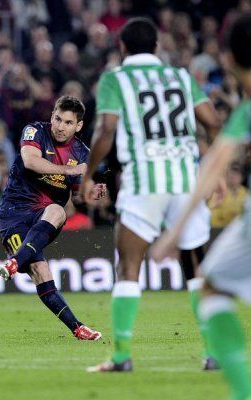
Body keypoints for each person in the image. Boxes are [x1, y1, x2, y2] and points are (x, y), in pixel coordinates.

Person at [82, 18, 221, 372]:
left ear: (123, 48)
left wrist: (89, 173)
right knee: (197, 270)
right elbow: (213, 123)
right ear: (157, 47)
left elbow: (107, 129)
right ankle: (214, 352)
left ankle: (121, 356)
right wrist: (215, 171)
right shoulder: (181, 77)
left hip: (144, 180)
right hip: (187, 181)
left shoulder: (115, 78)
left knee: (129, 266)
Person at [151, 14, 251, 400]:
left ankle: (242, 393)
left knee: (210, 286)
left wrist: (173, 234)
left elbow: (211, 168)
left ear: (227, 59)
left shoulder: (245, 111)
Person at [0, 95, 106, 341]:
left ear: (78, 126)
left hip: (44, 215)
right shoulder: (34, 131)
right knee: (40, 270)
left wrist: (90, 192)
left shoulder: (82, 153)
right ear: (52, 115)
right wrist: (72, 170)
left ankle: (13, 262)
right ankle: (78, 328)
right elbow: (31, 162)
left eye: (67, 122)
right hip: (13, 215)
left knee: (58, 210)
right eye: (57, 118)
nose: (59, 126)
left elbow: (76, 197)